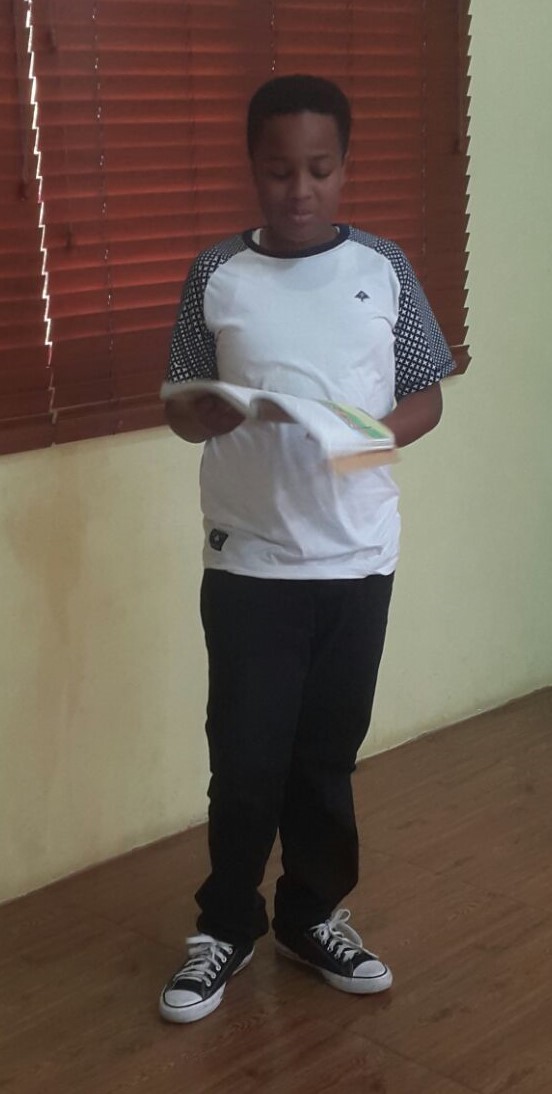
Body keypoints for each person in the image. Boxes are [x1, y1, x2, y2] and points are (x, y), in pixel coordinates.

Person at [159, 74, 454, 1024]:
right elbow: (182, 402)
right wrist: (202, 414)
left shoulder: (384, 266)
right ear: (253, 168)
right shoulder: (217, 273)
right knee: (247, 756)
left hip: (357, 556)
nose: (299, 189)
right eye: (279, 170)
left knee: (327, 755)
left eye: (319, 169)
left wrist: (358, 440)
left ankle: (313, 913)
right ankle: (226, 925)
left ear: (345, 166)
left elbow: (426, 394)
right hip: (249, 558)